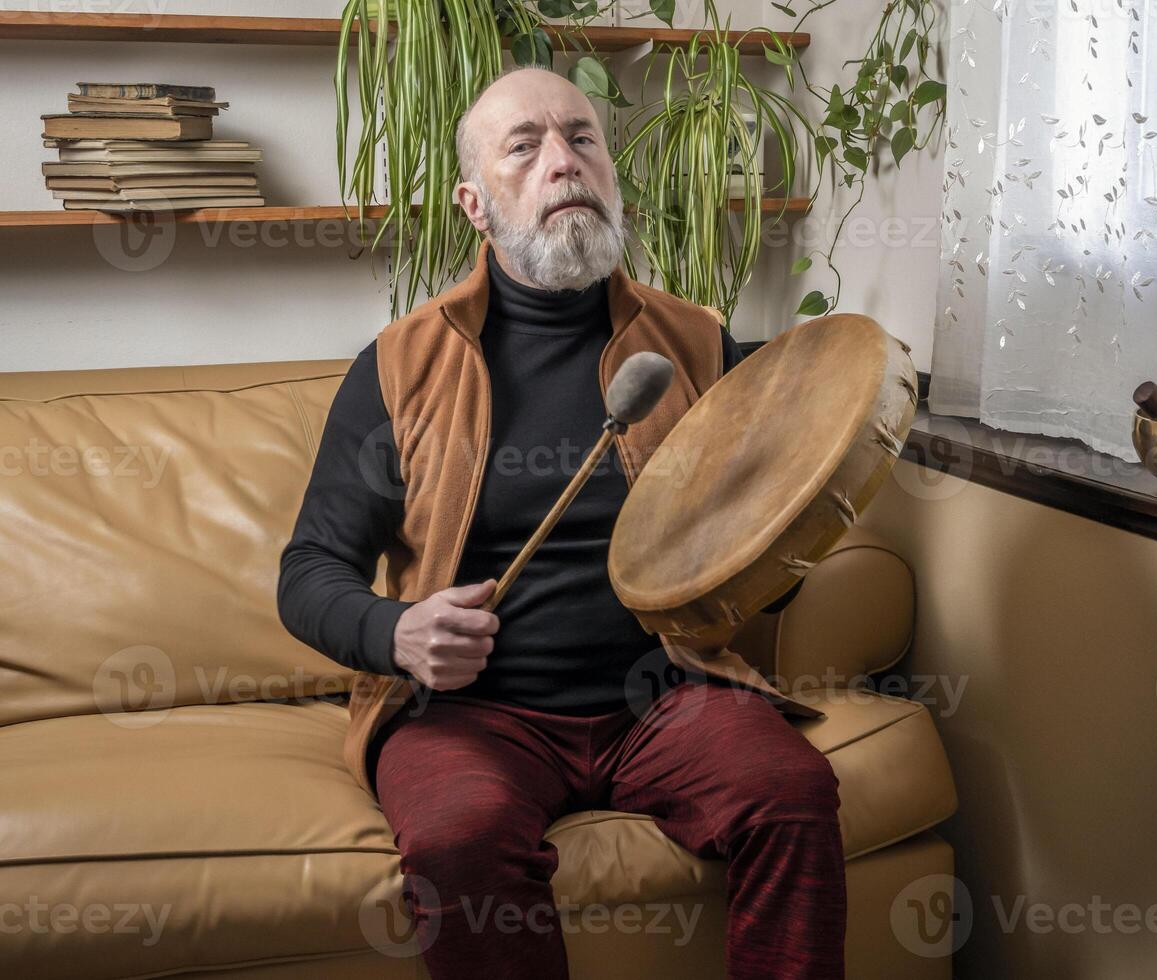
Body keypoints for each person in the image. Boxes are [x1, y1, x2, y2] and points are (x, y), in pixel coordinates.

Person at [276, 64, 845, 979]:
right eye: (526, 145)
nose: (564, 162)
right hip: (472, 716)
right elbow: (308, 571)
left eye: (582, 138)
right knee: (460, 838)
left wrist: (804, 523)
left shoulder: (696, 343)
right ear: (473, 202)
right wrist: (398, 631)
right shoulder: (399, 366)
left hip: (665, 694)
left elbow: (758, 531)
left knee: (791, 791)